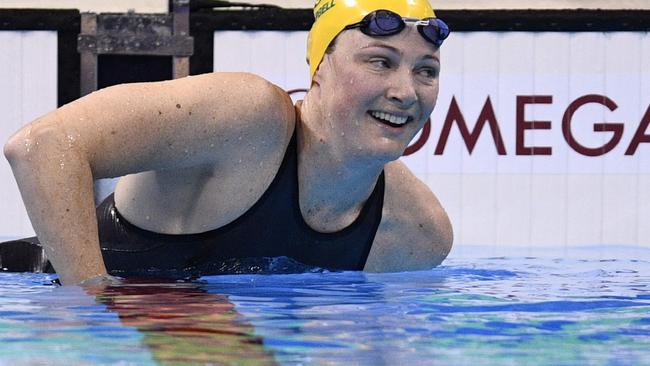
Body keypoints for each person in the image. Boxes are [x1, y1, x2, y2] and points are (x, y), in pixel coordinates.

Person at [2, 0, 453, 285]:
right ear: (318, 71)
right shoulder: (246, 118)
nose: (406, 92)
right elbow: (44, 145)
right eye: (380, 62)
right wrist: (90, 307)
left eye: (426, 70)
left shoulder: (417, 233)